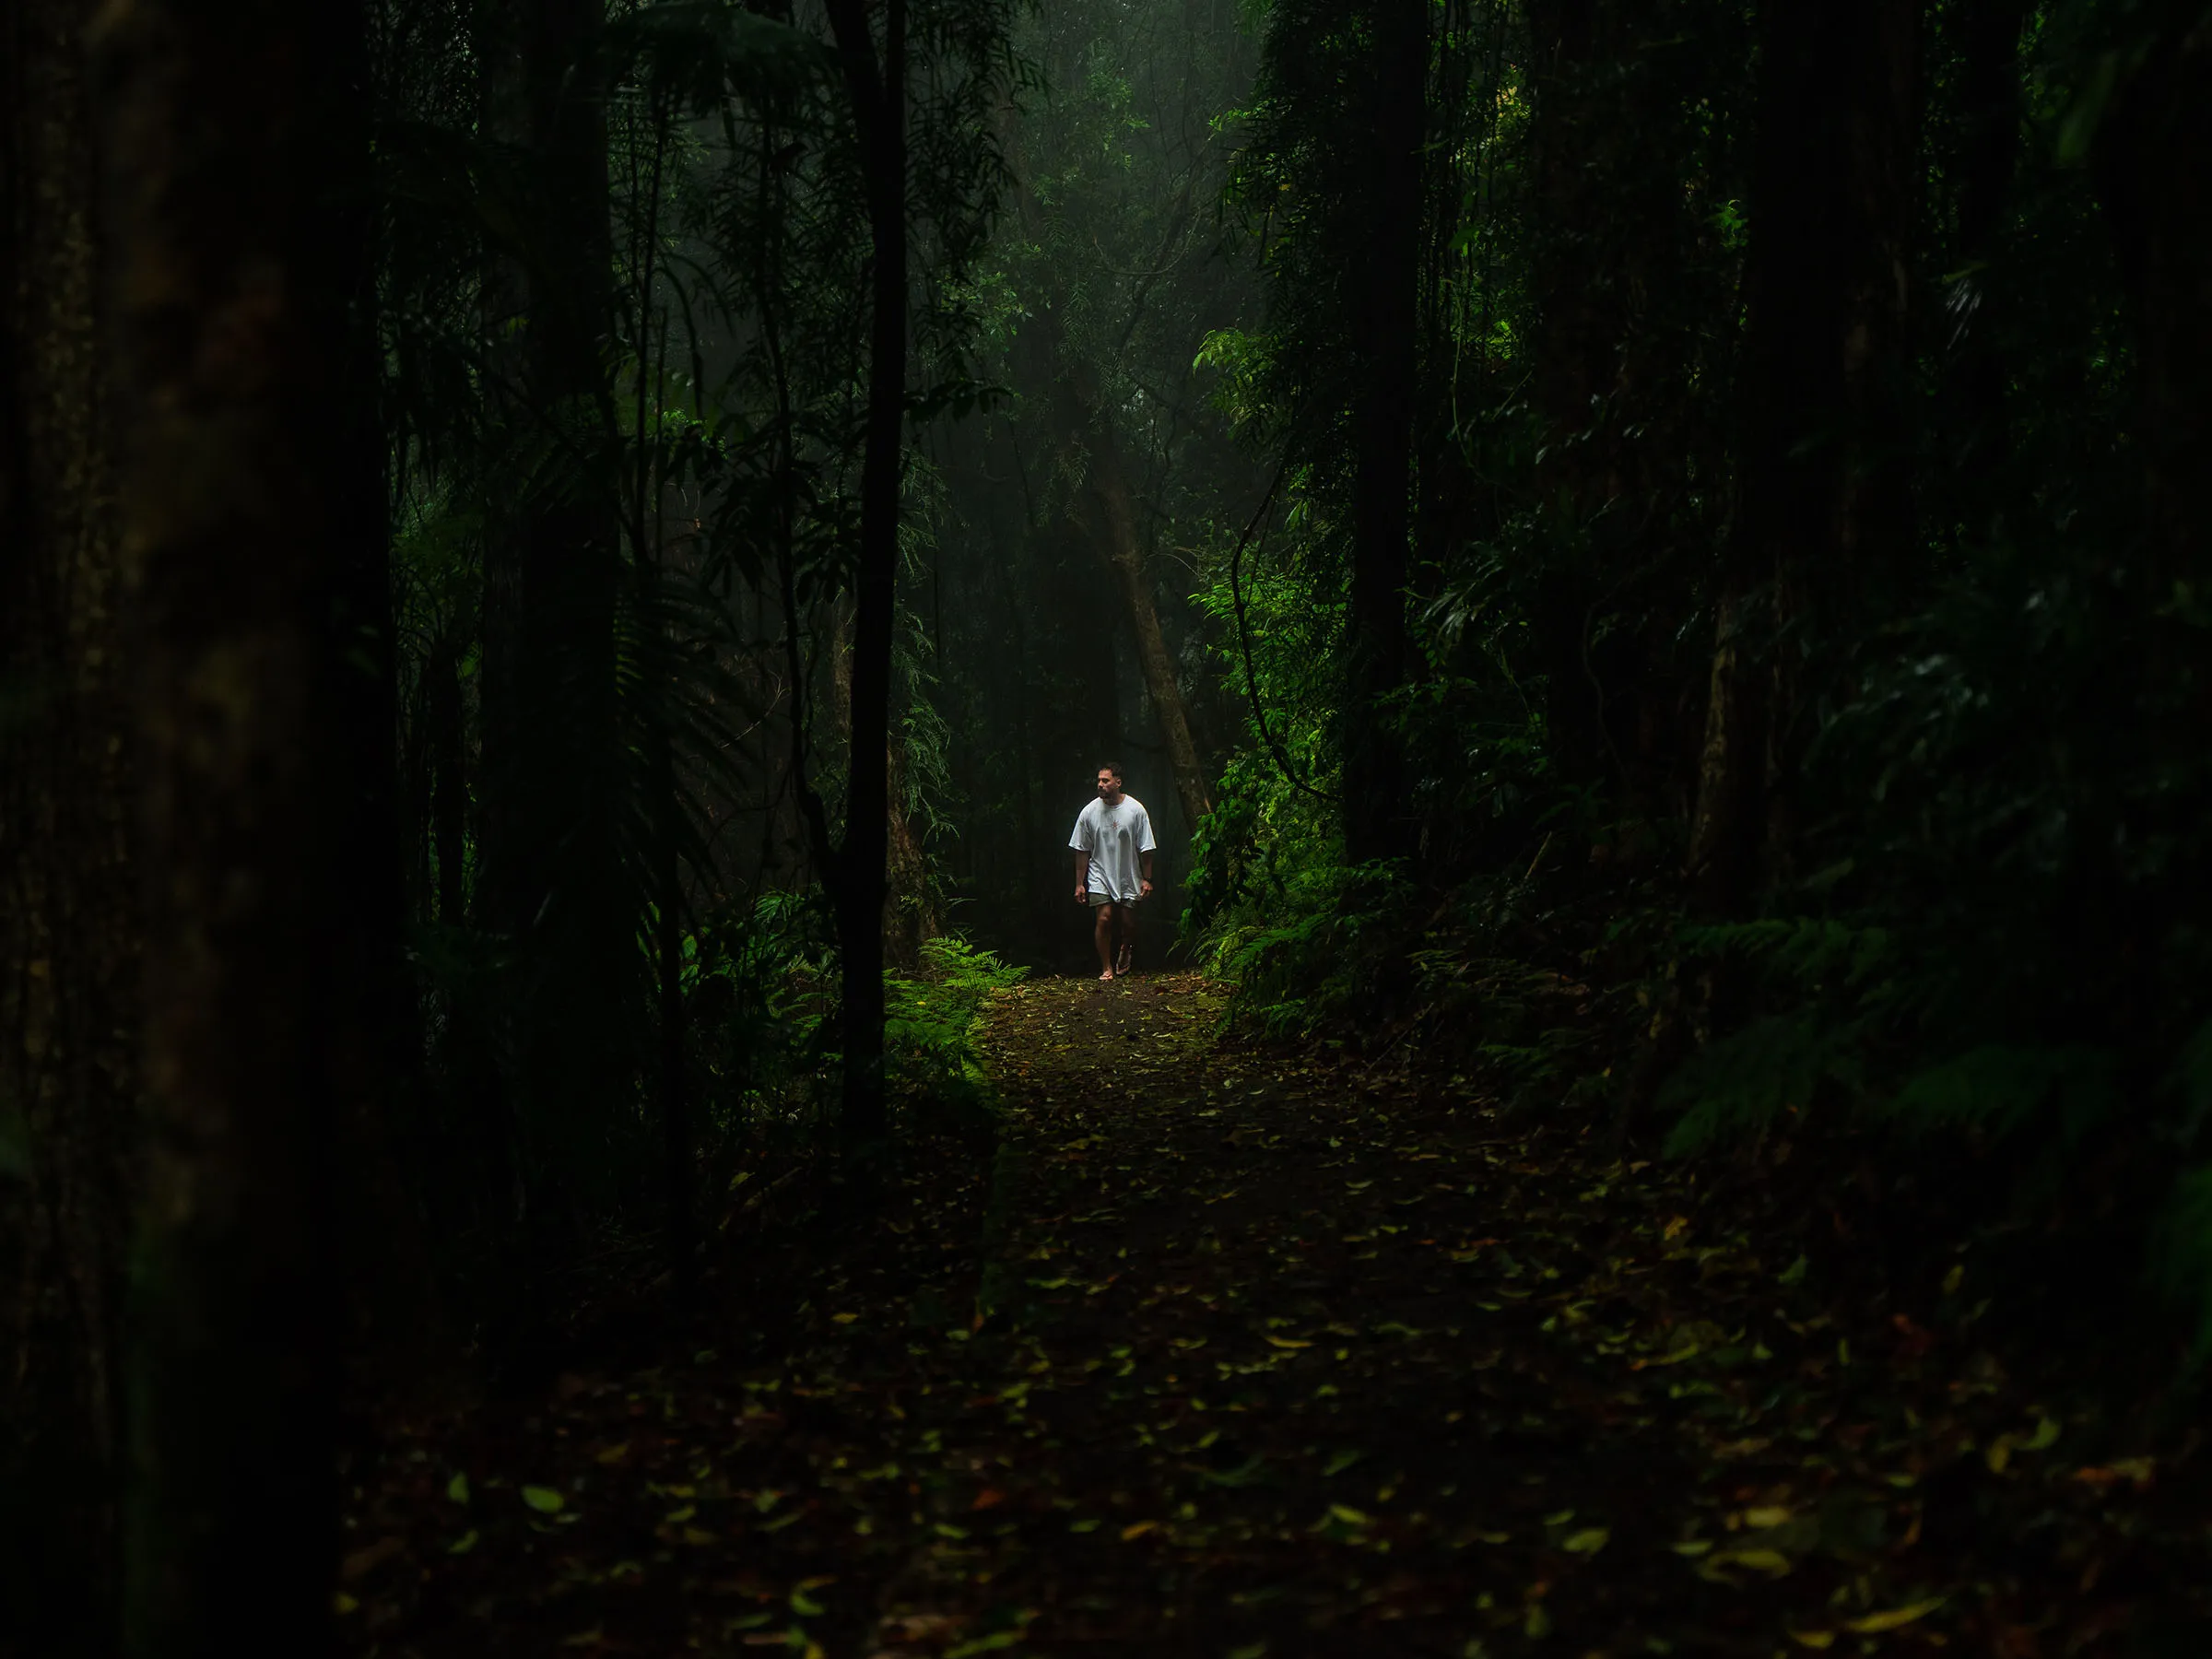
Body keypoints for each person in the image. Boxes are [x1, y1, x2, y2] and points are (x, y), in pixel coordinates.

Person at [1069, 761, 1155, 980]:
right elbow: (1081, 850)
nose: (1100, 785)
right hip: (1099, 873)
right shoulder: (1089, 812)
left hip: (1128, 873)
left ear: (1118, 782)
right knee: (1104, 919)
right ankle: (1106, 967)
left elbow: (1146, 848)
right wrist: (1080, 883)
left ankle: (1126, 948)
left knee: (1128, 923)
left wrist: (1147, 878)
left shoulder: (1136, 810)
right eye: (1098, 780)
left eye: (1105, 781)